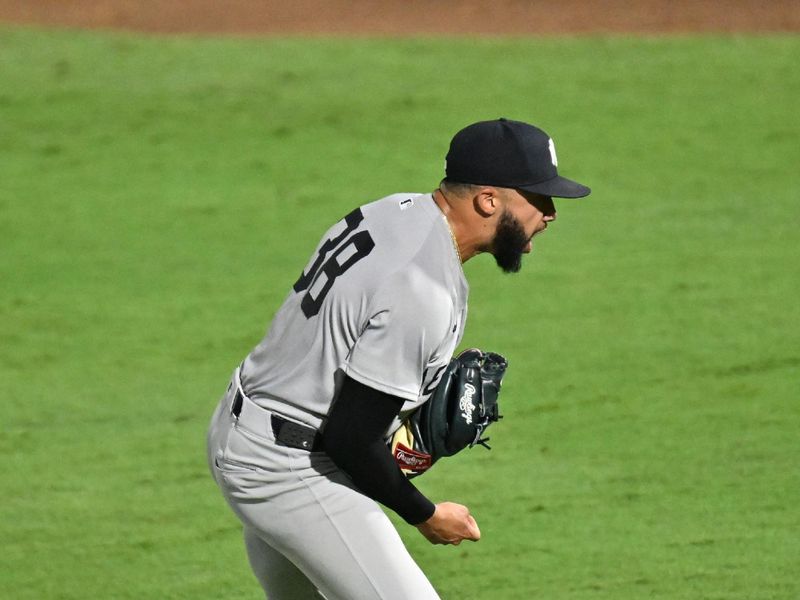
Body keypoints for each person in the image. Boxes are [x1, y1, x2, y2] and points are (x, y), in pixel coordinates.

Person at [206, 117, 591, 599]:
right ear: (489, 200)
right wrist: (427, 515)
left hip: (252, 425)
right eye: (538, 198)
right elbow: (352, 438)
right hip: (288, 468)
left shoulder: (395, 210)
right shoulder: (423, 289)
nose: (551, 212)